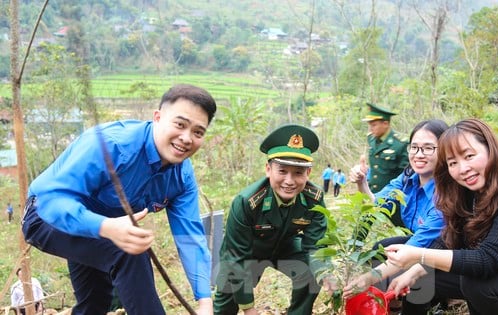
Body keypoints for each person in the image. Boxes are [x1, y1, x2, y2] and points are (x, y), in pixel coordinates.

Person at [21, 84, 217, 315]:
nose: (186, 138)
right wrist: (105, 226)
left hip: (104, 230)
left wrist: (205, 301)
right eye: (180, 125)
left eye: (198, 132)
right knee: (130, 252)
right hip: (46, 216)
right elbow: (50, 199)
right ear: (157, 117)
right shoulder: (111, 145)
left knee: (94, 303)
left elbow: (190, 237)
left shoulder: (181, 176)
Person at [351, 118, 498, 315]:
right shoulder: (466, 190)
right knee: (422, 276)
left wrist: (418, 255)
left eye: (469, 156)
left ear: (491, 149)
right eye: (453, 163)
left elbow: (488, 260)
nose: (463, 168)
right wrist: (409, 272)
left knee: (477, 282)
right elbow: (449, 238)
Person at [213, 124, 327, 315]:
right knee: (227, 298)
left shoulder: (313, 198)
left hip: (285, 246)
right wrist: (248, 308)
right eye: (282, 171)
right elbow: (236, 257)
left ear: (308, 173)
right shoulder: (247, 202)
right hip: (246, 252)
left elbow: (315, 245)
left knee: (311, 269)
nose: (289, 181)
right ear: (268, 169)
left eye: (298, 173)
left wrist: (326, 272)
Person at [346, 120, 448, 312]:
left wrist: (369, 278)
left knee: (417, 272)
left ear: (445, 151)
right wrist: (362, 183)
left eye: (428, 148)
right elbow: (378, 204)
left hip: (447, 252)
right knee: (381, 249)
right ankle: (387, 304)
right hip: (421, 244)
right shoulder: (408, 177)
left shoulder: (446, 195)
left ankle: (423, 306)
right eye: (415, 147)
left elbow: (416, 248)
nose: (419, 154)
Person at [362, 103, 409, 193]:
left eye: (374, 125)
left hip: (392, 195)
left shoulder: (400, 144)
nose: (370, 129)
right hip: (372, 193)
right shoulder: (371, 139)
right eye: (370, 125)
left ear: (385, 124)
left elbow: (406, 175)